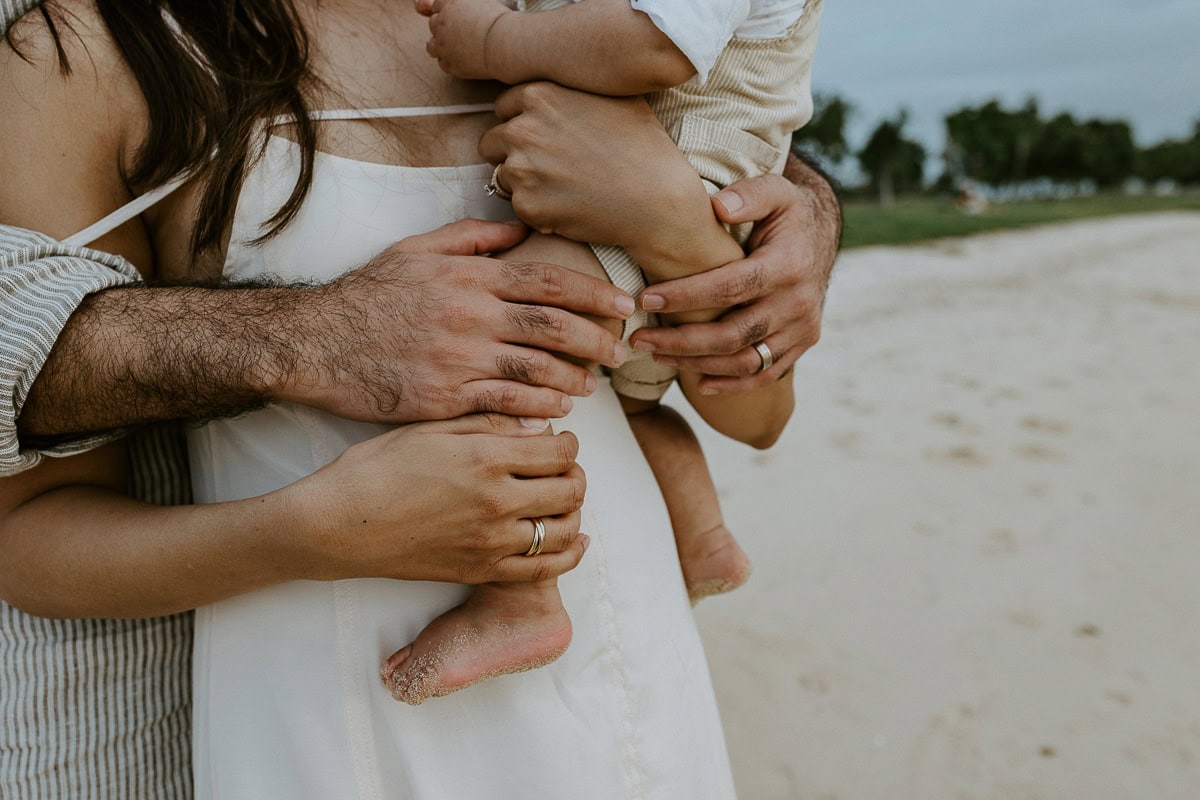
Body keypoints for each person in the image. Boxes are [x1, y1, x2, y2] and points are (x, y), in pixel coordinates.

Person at [0, 1, 839, 797]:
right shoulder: (90, 52)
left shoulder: (561, 22)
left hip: (626, 652)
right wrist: (306, 531)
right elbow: (26, 536)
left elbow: (759, 416)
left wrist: (685, 222)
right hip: (326, 700)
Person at [378, 0, 820, 700]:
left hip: (666, 187)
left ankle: (522, 600)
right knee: (632, 408)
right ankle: (703, 535)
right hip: (675, 194)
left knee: (510, 346)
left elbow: (655, 47)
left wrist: (495, 37)